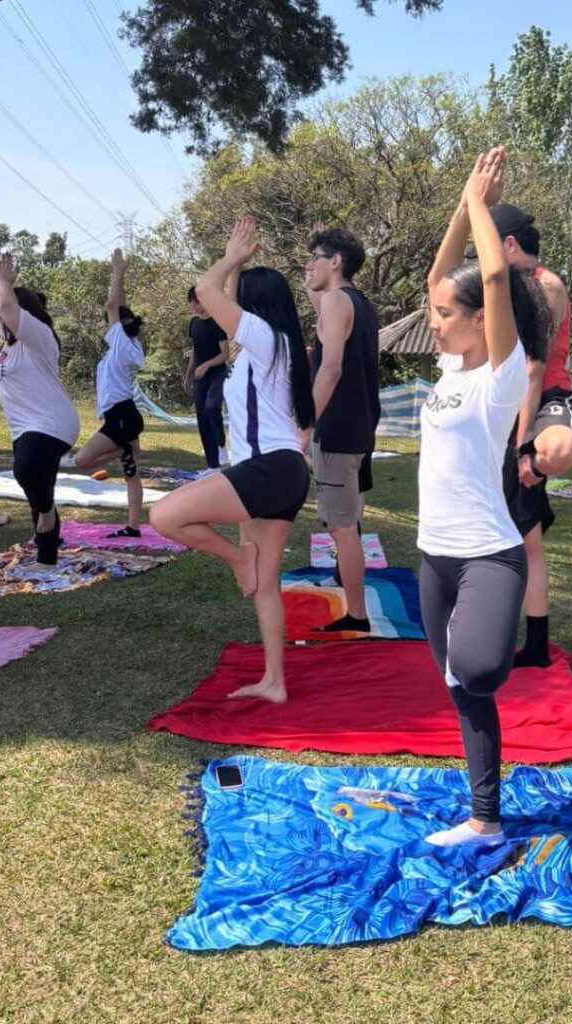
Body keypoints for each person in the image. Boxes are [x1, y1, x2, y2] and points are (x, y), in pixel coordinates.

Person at [421, 147, 550, 847]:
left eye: (446, 314)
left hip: (488, 557)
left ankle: (485, 812)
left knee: (475, 668)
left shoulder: (499, 377)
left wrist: (477, 199)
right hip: (433, 557)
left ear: (480, 321)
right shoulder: (449, 363)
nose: (434, 321)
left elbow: (491, 275)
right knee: (460, 688)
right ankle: (485, 819)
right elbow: (443, 276)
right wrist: (456, 208)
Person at [150, 217, 315, 704]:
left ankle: (236, 557)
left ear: (256, 301)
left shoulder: (263, 337)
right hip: (280, 471)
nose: (230, 300)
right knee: (265, 584)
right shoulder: (272, 345)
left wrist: (230, 259)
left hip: (266, 471)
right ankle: (275, 683)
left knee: (165, 516)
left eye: (239, 292)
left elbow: (204, 288)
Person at [490, 202, 572, 670]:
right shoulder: (499, 287)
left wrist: (524, 445)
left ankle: (535, 644)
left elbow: (534, 368)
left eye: (490, 247)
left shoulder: (545, 285)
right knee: (505, 533)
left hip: (544, 401)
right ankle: (514, 638)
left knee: (526, 533)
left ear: (509, 245)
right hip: (506, 410)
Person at [303, 226, 381, 634]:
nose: (307, 265)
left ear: (335, 261)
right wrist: (313, 286)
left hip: (337, 427)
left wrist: (306, 424)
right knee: (348, 518)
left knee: (342, 527)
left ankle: (357, 615)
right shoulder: (357, 301)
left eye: (313, 257)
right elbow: (324, 312)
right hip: (361, 425)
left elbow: (331, 368)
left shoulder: (336, 301)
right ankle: (344, 581)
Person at [0, 255, 79, 566]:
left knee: (27, 471)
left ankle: (48, 511)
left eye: (7, 308)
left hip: (51, 422)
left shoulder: (38, 337)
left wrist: (4, 283)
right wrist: (4, 285)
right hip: (25, 427)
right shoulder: (9, 342)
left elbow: (9, 309)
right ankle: (46, 557)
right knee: (36, 489)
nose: (0, 315)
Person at [72, 249, 146, 536]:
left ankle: (122, 448)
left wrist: (118, 272)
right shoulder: (132, 345)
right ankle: (133, 526)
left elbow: (113, 303)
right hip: (126, 416)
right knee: (132, 476)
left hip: (121, 418)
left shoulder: (118, 341)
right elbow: (120, 307)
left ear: (116, 326)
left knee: (81, 461)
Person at [185, 284, 229, 471]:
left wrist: (207, 365)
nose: (193, 306)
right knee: (202, 419)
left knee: (212, 407)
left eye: (195, 301)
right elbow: (195, 351)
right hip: (199, 378)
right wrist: (188, 375)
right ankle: (213, 467)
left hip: (217, 374)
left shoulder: (217, 322)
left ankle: (221, 444)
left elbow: (225, 353)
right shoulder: (194, 324)